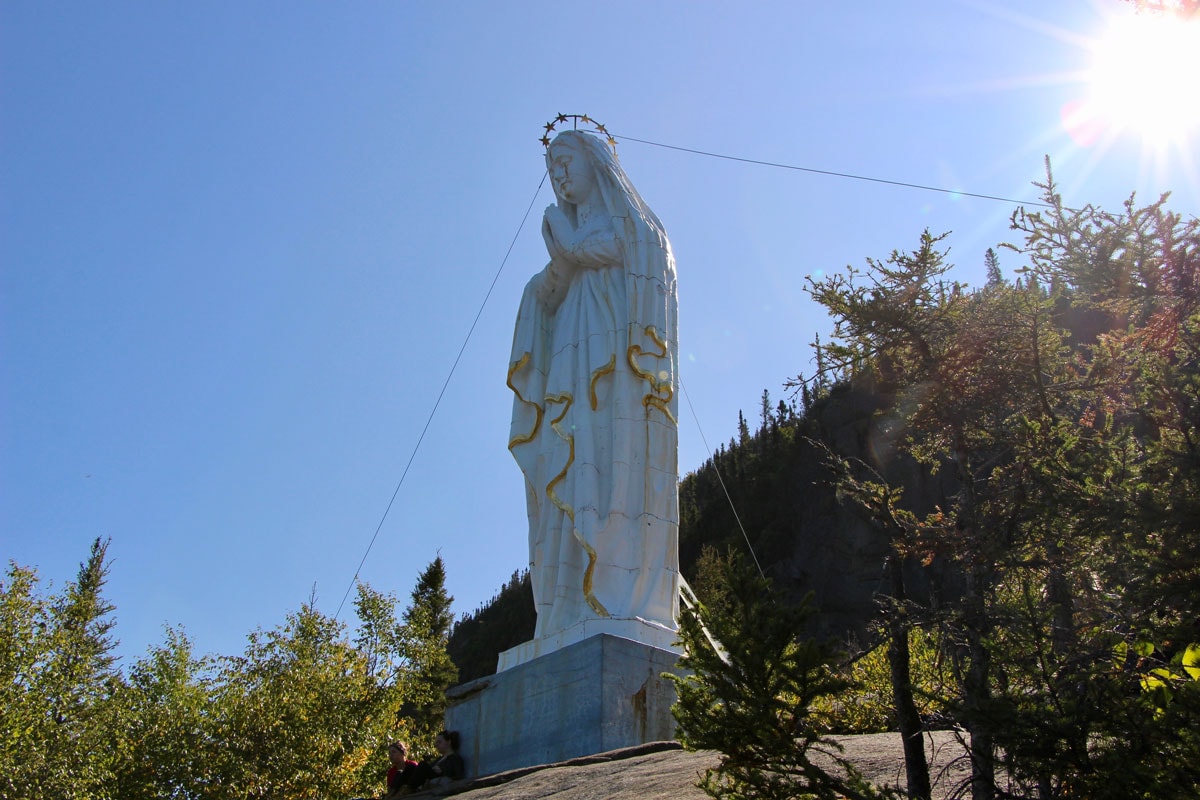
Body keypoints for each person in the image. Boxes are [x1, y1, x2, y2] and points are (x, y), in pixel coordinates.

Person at [508, 129, 681, 640]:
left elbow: (638, 249)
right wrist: (553, 273)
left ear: (595, 162)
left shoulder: (633, 227)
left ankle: (615, 594)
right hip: (570, 360)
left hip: (617, 375)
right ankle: (565, 607)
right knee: (566, 457)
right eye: (550, 168)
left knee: (609, 465)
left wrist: (569, 246)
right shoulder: (566, 238)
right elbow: (548, 288)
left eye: (564, 161)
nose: (557, 175)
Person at [399, 730, 465, 791]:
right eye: (436, 743)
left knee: (423, 764)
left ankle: (409, 788)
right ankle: (396, 791)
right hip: (431, 777)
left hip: (439, 779)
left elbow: (458, 775)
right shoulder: (439, 759)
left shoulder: (455, 758)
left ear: (449, 742)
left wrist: (442, 771)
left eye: (439, 742)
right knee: (409, 768)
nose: (436, 745)